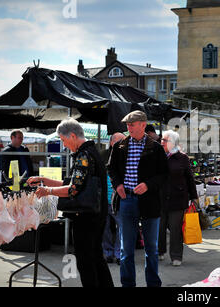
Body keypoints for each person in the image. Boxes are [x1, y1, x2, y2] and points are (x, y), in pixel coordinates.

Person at [27, 118, 114, 288]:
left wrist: (47, 191)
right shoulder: (91, 152)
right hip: (96, 215)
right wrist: (45, 180)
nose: (64, 145)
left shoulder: (84, 155)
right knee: (96, 258)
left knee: (85, 261)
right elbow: (75, 183)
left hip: (86, 217)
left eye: (63, 140)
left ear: (73, 136)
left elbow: (73, 189)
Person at [107, 110, 168, 287]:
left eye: (131, 125)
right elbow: (111, 168)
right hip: (126, 200)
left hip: (149, 201)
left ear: (143, 125)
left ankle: (153, 284)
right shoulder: (120, 146)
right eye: (127, 125)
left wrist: (148, 185)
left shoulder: (155, 147)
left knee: (151, 249)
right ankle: (127, 284)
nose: (128, 128)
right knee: (126, 250)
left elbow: (164, 174)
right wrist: (118, 185)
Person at [158, 130, 198, 266]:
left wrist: (194, 197)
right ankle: (159, 251)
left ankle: (176, 256)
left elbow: (189, 179)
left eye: (165, 140)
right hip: (160, 198)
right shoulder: (157, 156)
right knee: (159, 228)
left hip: (177, 199)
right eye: (162, 140)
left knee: (175, 229)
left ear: (173, 143)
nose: (161, 142)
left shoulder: (182, 158)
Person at [102, 132, 125, 265]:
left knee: (121, 227)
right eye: (119, 141)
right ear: (111, 142)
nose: (123, 143)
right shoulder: (103, 156)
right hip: (104, 199)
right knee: (104, 228)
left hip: (120, 199)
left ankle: (118, 253)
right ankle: (108, 252)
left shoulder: (128, 155)